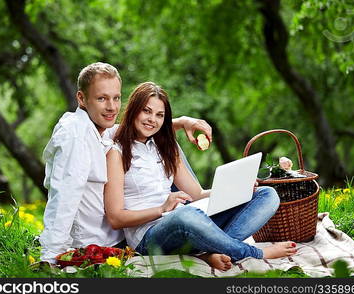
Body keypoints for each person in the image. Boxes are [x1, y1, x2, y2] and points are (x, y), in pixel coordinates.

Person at [104, 82, 297, 271]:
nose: (152, 119)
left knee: (267, 195)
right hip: (149, 236)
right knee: (187, 214)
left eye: (159, 115)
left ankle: (212, 252)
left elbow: (197, 194)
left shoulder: (166, 148)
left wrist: (239, 189)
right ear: (133, 110)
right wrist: (161, 208)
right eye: (146, 111)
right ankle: (256, 253)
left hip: (188, 222)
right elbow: (116, 218)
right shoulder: (117, 152)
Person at [39, 63, 213, 264]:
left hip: (120, 239)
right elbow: (63, 198)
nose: (112, 107)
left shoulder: (99, 129)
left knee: (162, 148)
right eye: (102, 98)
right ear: (81, 98)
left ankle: (202, 246)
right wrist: (51, 257)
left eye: (116, 98)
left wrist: (183, 122)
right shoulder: (75, 136)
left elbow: (138, 128)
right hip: (98, 245)